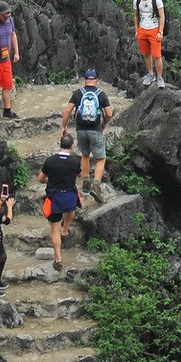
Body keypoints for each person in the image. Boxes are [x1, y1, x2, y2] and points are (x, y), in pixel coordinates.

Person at [61, 68, 113, 201]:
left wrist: (63, 127)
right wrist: (104, 124)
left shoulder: (78, 93)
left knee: (85, 155)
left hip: (81, 130)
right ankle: (96, 184)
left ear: (85, 80)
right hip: (95, 130)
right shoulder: (101, 94)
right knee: (100, 158)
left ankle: (85, 181)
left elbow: (67, 111)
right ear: (96, 80)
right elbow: (109, 113)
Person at [38, 133, 81, 272]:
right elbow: (79, 175)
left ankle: (58, 259)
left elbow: (40, 179)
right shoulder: (75, 161)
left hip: (54, 197)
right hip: (69, 195)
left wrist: (50, 181)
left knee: (54, 231)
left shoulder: (50, 160)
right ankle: (65, 229)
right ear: (72, 146)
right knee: (71, 209)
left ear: (59, 144)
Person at [133, 0, 166, 87]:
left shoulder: (156, 0)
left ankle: (160, 77)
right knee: (146, 53)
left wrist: (160, 32)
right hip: (142, 29)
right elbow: (136, 16)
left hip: (154, 30)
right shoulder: (137, 0)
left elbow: (162, 16)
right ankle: (150, 74)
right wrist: (137, 30)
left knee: (157, 55)